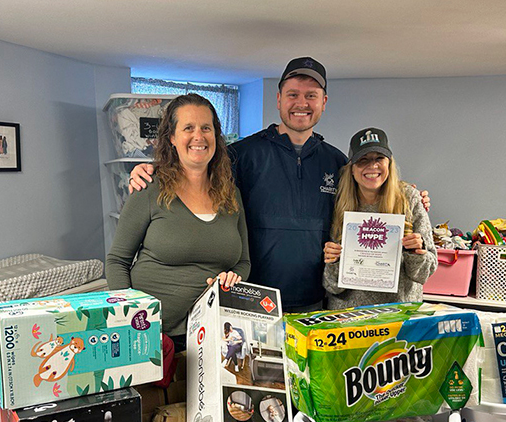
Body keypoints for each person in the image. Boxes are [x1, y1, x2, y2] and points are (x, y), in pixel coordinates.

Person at [129, 58, 431, 313]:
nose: (301, 103)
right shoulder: (242, 155)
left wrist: (409, 195)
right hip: (251, 299)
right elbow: (195, 167)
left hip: (317, 303)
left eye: (311, 95)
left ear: (323, 102)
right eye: (292, 94)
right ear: (279, 100)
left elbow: (367, 199)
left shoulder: (337, 163)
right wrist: (153, 170)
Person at [106, 94, 250, 350]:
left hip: (211, 334)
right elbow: (117, 261)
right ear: (172, 138)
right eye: (188, 128)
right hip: (152, 335)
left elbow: (243, 262)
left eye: (206, 128)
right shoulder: (149, 187)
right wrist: (131, 320)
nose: (199, 136)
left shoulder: (232, 195)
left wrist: (233, 278)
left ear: (216, 136)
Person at [323, 128, 437, 308]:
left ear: (389, 163)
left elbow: (424, 274)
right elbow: (330, 285)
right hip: (347, 318)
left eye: (379, 158)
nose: (373, 166)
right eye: (363, 160)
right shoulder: (337, 204)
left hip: (398, 315)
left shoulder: (410, 199)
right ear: (352, 169)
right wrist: (334, 261)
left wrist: (416, 252)